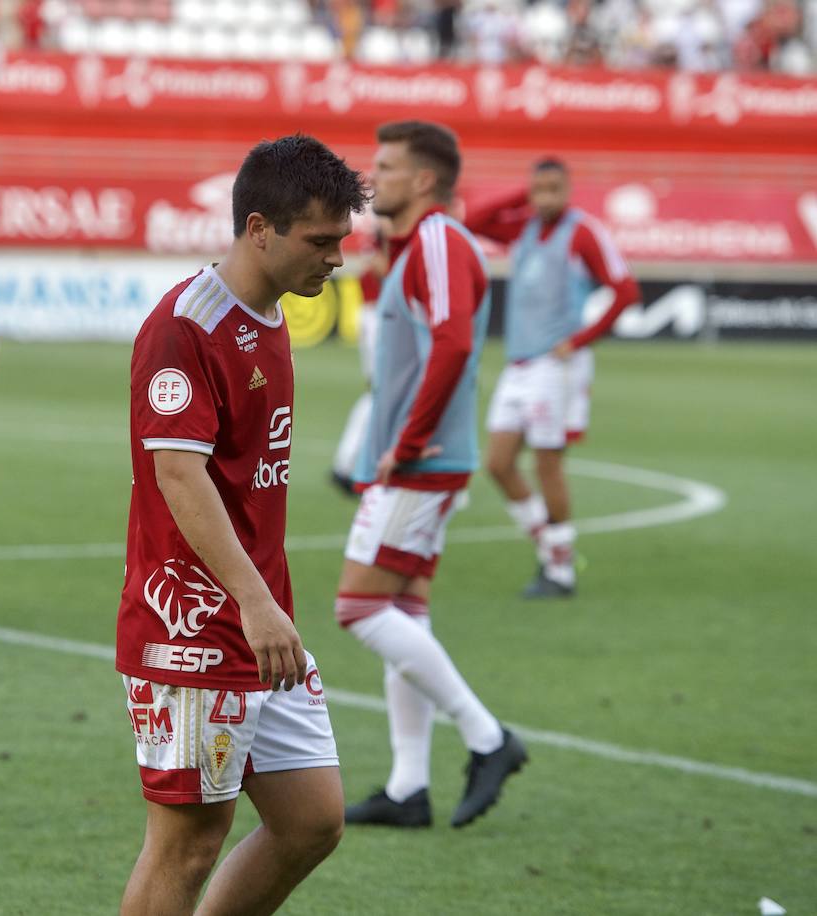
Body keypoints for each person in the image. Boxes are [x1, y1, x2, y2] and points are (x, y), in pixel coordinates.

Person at [118, 134, 370, 916]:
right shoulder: (185, 326)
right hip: (190, 622)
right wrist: (256, 601)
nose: (335, 260)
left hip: (259, 620)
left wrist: (266, 606)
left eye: (343, 241)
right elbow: (178, 474)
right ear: (259, 228)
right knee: (189, 843)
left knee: (311, 820)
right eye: (320, 241)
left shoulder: (268, 314)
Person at [335, 121, 526, 830]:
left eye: (384, 167)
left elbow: (450, 343)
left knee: (359, 609)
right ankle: (408, 787)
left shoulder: (440, 241)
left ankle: (488, 738)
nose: (371, 177)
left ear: (422, 181)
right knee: (405, 610)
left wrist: (408, 444)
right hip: (418, 458)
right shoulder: (415, 248)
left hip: (424, 460)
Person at [464, 158, 641, 597]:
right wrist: (521, 195)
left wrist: (581, 340)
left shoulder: (582, 232)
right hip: (519, 363)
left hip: (556, 367)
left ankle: (560, 571)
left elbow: (626, 291)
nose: (545, 197)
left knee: (547, 465)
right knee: (498, 464)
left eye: (553, 188)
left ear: (568, 189)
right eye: (538, 189)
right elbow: (477, 220)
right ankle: (551, 546)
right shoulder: (524, 227)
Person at [330, 216, 391, 493]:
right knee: (379, 392)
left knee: (380, 393)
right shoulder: (383, 238)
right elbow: (382, 270)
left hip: (376, 315)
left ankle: (352, 464)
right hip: (378, 316)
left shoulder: (380, 236)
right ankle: (349, 465)